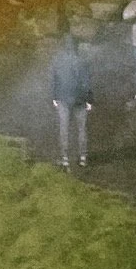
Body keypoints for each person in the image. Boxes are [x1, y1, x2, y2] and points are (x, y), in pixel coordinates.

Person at [49, 14, 92, 173]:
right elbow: (87, 82)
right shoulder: (82, 60)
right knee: (82, 129)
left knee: (64, 128)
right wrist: (89, 100)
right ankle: (83, 158)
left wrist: (54, 97)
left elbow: (53, 79)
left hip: (62, 98)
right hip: (80, 99)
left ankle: (65, 159)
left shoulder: (57, 60)